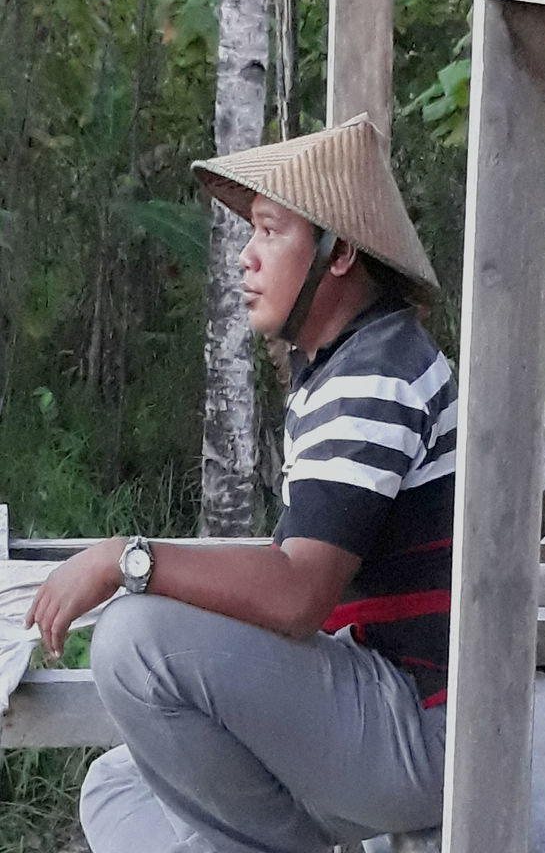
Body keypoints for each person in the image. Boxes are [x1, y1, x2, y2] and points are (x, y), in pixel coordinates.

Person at [25, 115, 456, 853]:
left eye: (268, 231)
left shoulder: (378, 376)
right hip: (368, 706)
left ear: (341, 251)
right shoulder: (350, 364)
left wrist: (123, 559)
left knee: (134, 640)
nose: (246, 259)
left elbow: (295, 595)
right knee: (118, 786)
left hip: (422, 728)